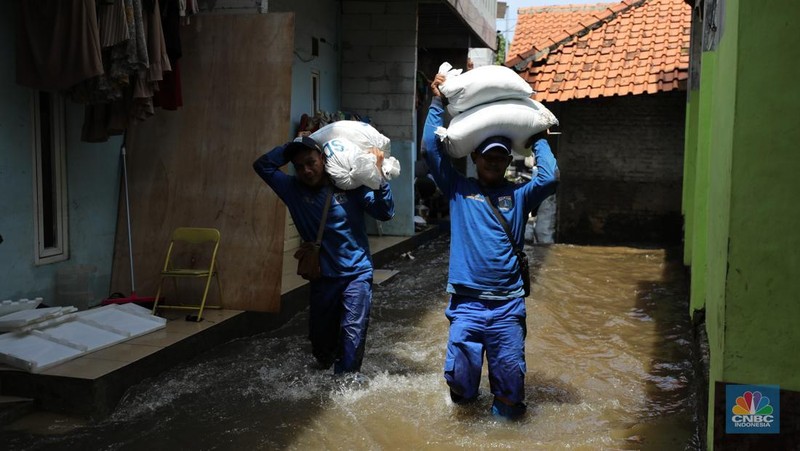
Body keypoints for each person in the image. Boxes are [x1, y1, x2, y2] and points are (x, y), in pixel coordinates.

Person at [423, 74, 559, 418]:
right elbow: (431, 148)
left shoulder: (519, 194)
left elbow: (550, 177)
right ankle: (467, 411)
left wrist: (539, 137)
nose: (494, 162)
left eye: (500, 157)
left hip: (507, 307)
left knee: (511, 390)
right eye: (488, 156)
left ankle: (505, 421)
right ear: (476, 157)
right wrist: (437, 103)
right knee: (462, 385)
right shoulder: (458, 189)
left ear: (507, 160)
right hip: (466, 304)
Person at [253, 136, 395, 374]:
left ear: (323, 158)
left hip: (356, 275)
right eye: (299, 166)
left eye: (311, 162)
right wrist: (290, 147)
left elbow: (385, 212)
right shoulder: (292, 190)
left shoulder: (349, 184)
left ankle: (347, 382)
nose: (306, 171)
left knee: (353, 333)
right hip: (322, 279)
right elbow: (262, 165)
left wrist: (380, 178)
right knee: (322, 346)